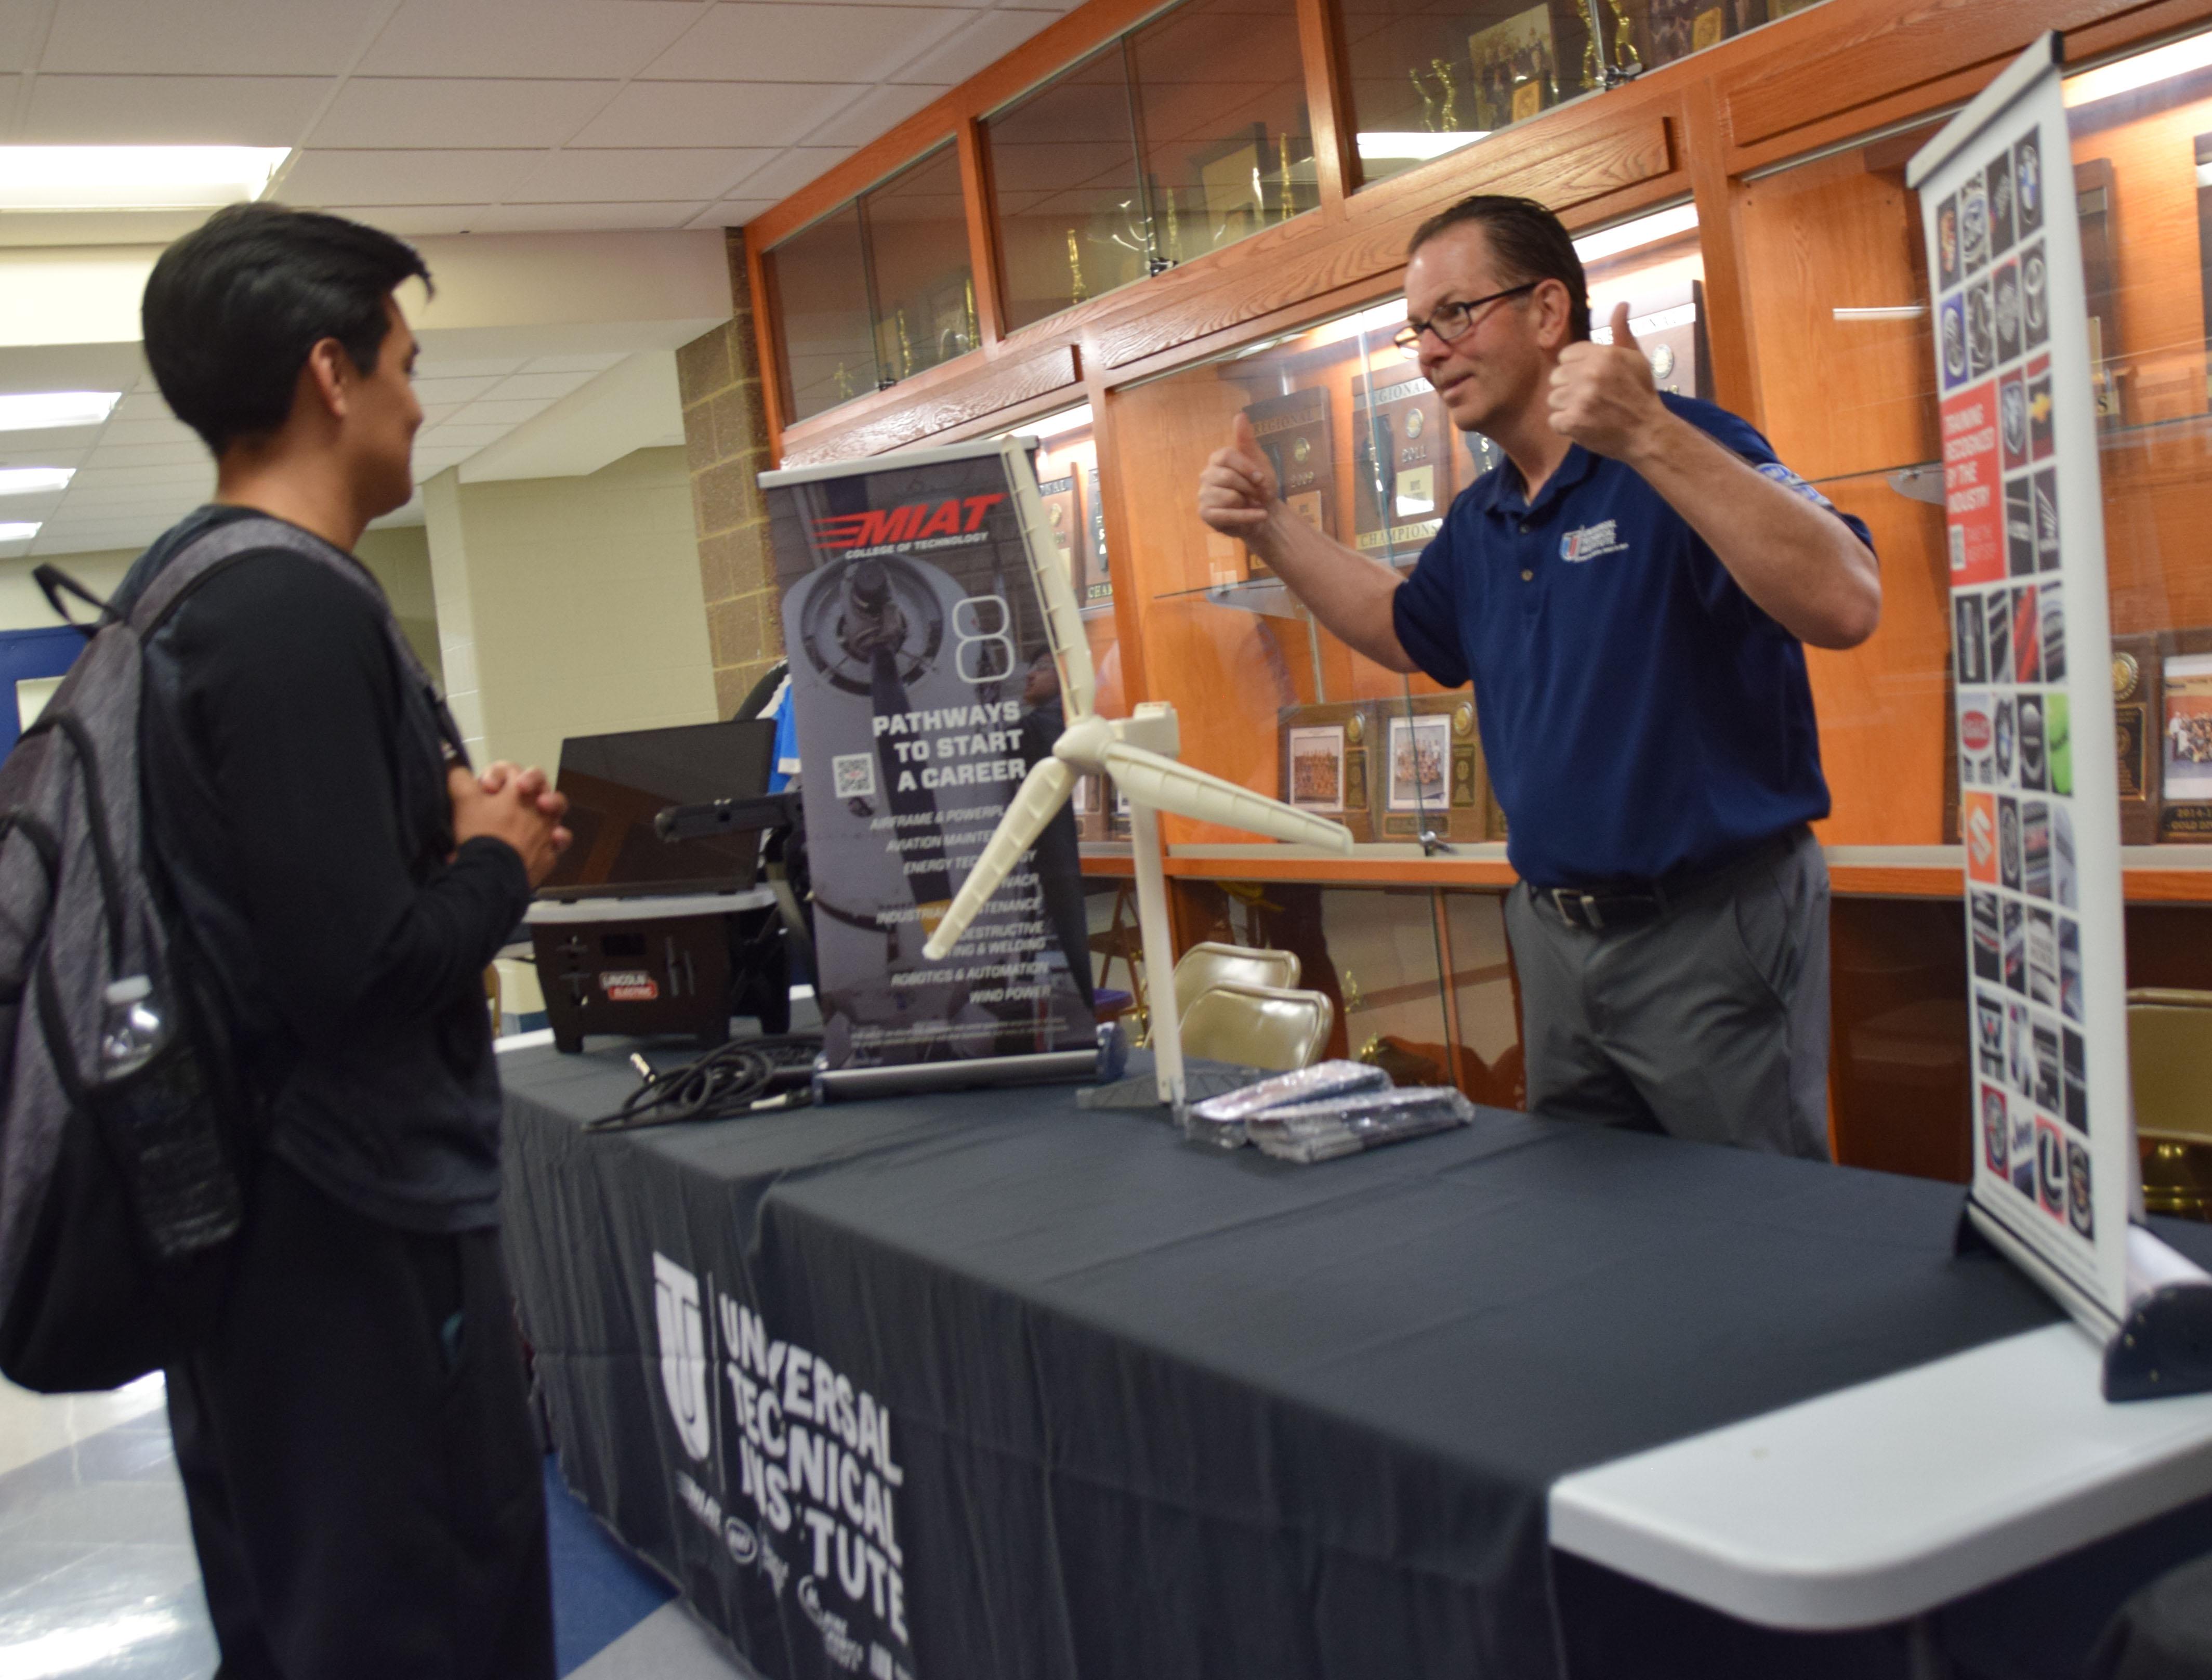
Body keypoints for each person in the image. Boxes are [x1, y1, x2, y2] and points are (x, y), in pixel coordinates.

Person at [124, 203, 571, 1678]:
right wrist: (500, 864)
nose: (419, 402)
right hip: (348, 1243)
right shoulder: (282, 611)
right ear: (332, 372)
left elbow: (276, 903)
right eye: (405, 362)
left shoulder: (190, 590)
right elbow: (356, 974)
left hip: (273, 1237)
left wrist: (437, 828)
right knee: (417, 1625)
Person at [1197, 194, 1880, 1158]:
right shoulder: (1484, 515)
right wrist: (1269, 526)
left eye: (1454, 314)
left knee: (1748, 1224)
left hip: (1708, 928)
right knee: (1582, 1222)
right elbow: (1402, 629)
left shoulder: (1686, 446)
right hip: (1554, 932)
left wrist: (1648, 434)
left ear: (1550, 311)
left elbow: (1848, 602)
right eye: (1417, 329)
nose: (1431, 352)